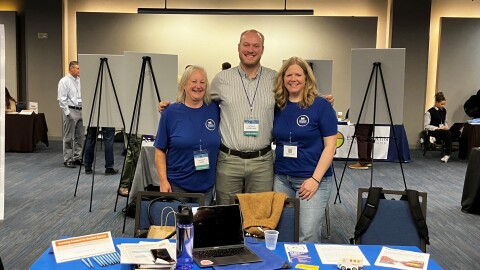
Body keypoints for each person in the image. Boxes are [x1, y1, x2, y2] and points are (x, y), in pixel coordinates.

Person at [159, 29, 333, 205]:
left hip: (262, 162)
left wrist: (319, 99)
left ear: (262, 49)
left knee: (259, 217)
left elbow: (295, 95)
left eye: (256, 46)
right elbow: (197, 98)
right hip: (229, 160)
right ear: (238, 48)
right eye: (246, 45)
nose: (251, 49)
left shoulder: (274, 79)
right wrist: (173, 106)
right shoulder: (222, 79)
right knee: (226, 216)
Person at [272, 57, 337, 242]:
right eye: (289, 74)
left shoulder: (321, 105)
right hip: (282, 179)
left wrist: (315, 179)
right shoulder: (278, 106)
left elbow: (330, 147)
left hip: (312, 180)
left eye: (298, 74)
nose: (293, 79)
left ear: (307, 78)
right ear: (283, 79)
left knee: (307, 234)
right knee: (282, 232)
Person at [154, 65, 220, 205]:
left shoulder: (214, 109)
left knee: (201, 225)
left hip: (206, 187)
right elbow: (160, 149)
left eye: (202, 82)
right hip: (177, 185)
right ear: (184, 85)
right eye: (193, 81)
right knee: (178, 225)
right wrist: (163, 180)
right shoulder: (170, 112)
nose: (198, 86)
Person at [57, 61, 84, 168]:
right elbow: (61, 99)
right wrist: (68, 113)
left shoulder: (80, 81)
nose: (79, 70)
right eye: (77, 68)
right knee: (69, 137)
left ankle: (78, 157)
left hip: (81, 110)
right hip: (71, 110)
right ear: (71, 69)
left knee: (80, 136)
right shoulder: (64, 81)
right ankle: (68, 159)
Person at [424, 91, 452, 163]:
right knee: (447, 134)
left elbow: (445, 121)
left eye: (444, 104)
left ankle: (447, 150)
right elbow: (426, 126)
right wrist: (438, 128)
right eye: (441, 104)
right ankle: (447, 154)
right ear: (436, 102)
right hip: (433, 130)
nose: (443, 106)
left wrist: (445, 126)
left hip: (442, 129)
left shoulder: (444, 111)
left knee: (455, 132)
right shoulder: (429, 112)